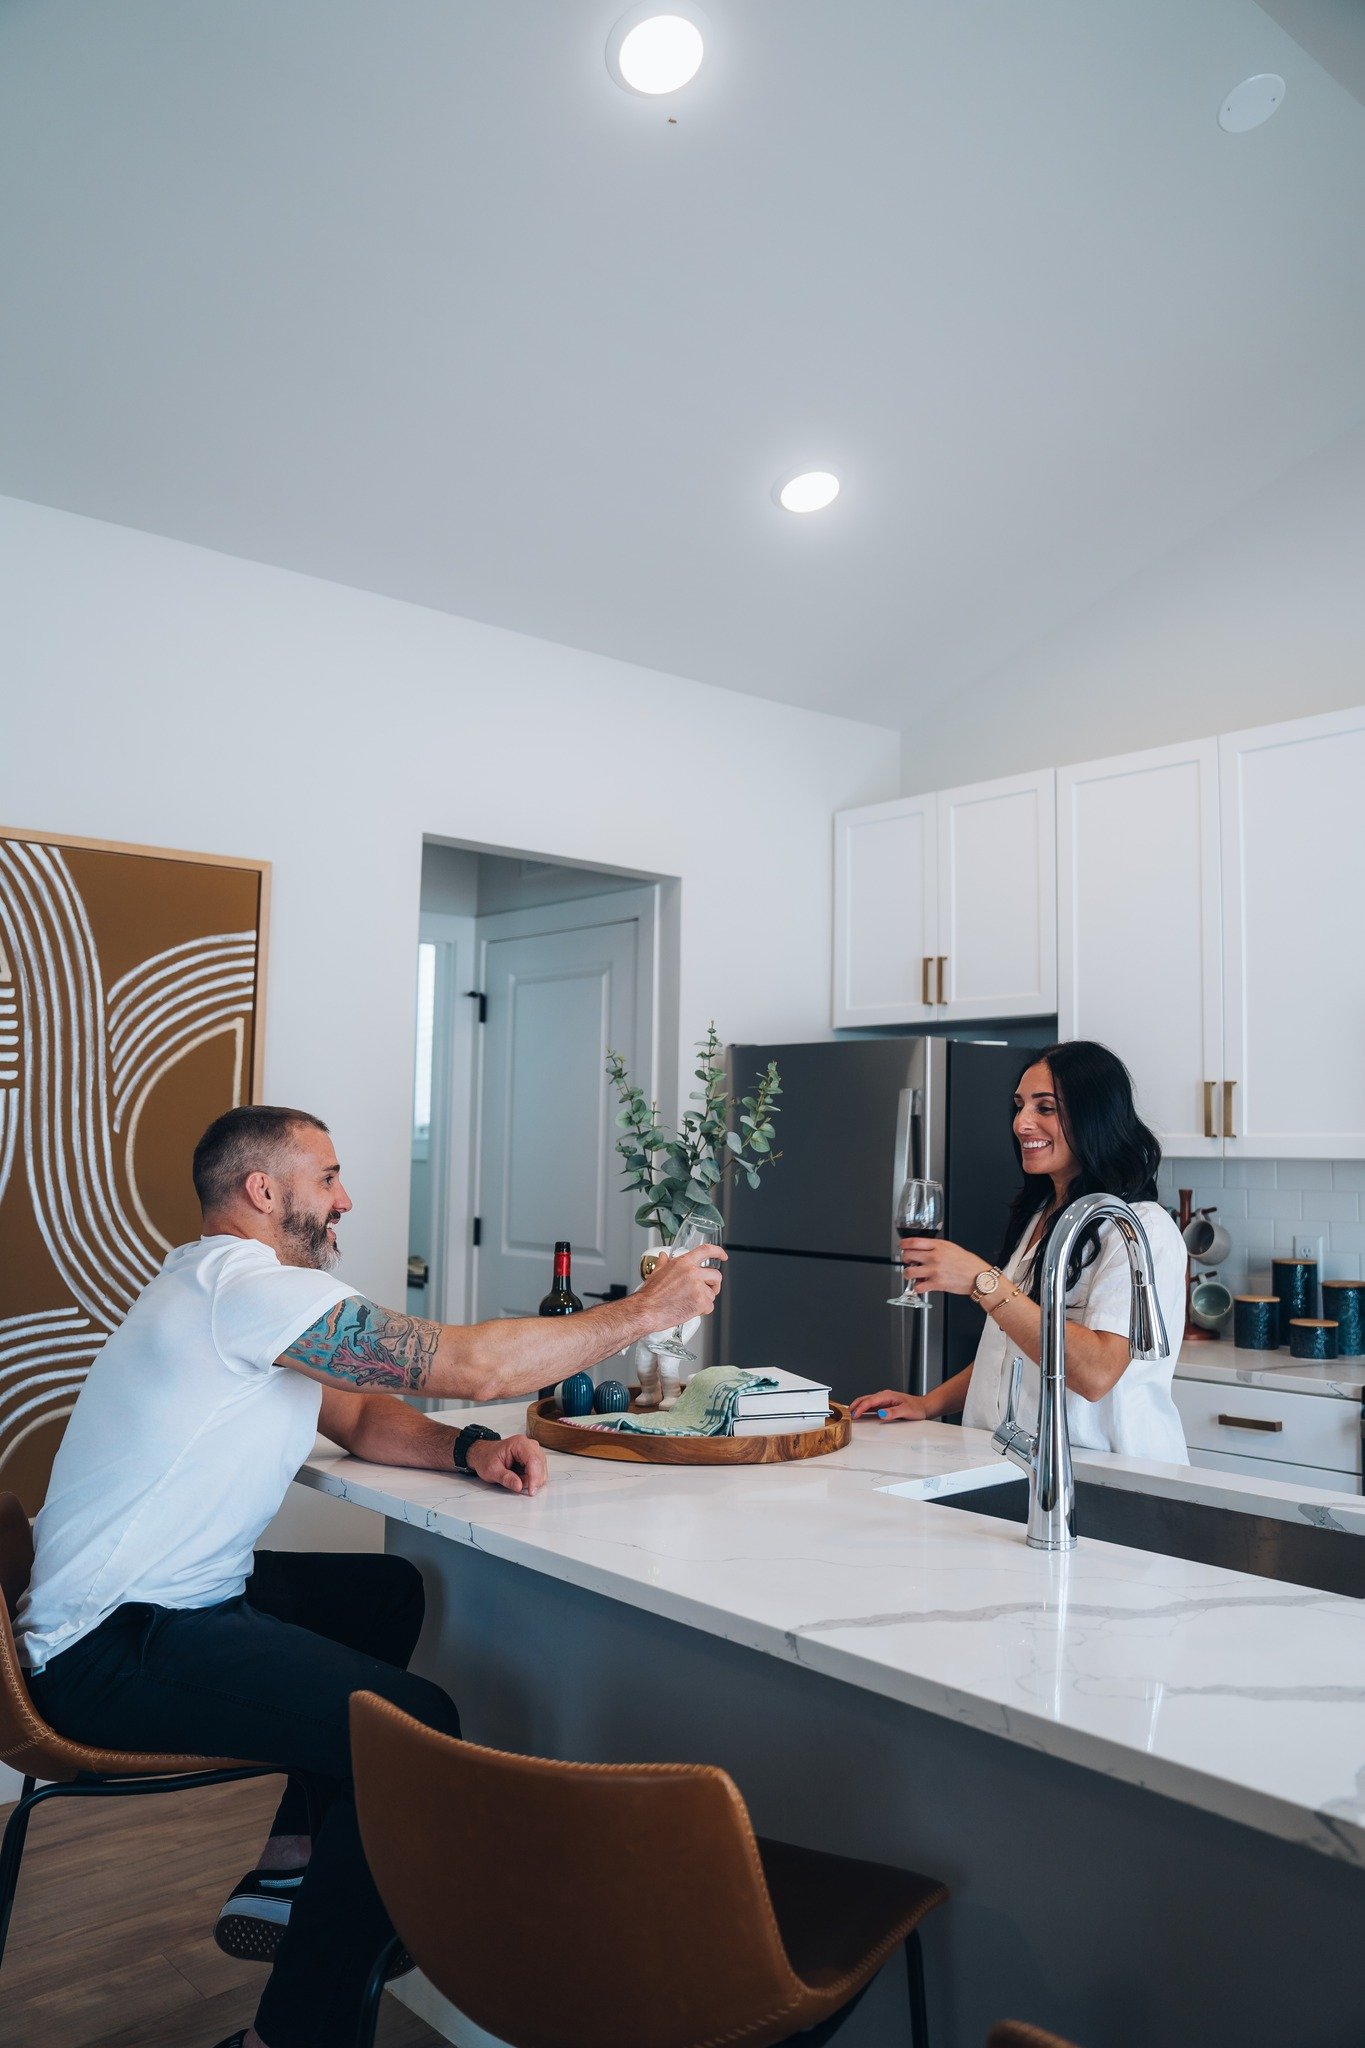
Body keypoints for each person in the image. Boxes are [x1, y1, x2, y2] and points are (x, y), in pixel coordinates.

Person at [15, 1104, 724, 2048]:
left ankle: (294, 1860)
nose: (345, 1199)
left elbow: (357, 1417)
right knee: (415, 1727)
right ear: (264, 1192)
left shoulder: (227, 1288)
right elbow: (465, 1365)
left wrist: (467, 1449)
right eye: (328, 1177)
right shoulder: (247, 1286)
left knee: (387, 1595)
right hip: (108, 1646)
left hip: (152, 1605)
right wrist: (646, 1312)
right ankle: (295, 2032)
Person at [851, 1041, 1188, 1463]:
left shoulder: (1140, 1229)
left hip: (1108, 1471)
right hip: (1012, 1460)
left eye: (1044, 1108)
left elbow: (1096, 1373)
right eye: (1020, 1106)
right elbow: (1014, 1347)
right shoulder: (1041, 1215)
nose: (1022, 1123)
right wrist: (929, 1403)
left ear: (1095, 1115)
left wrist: (982, 1282)